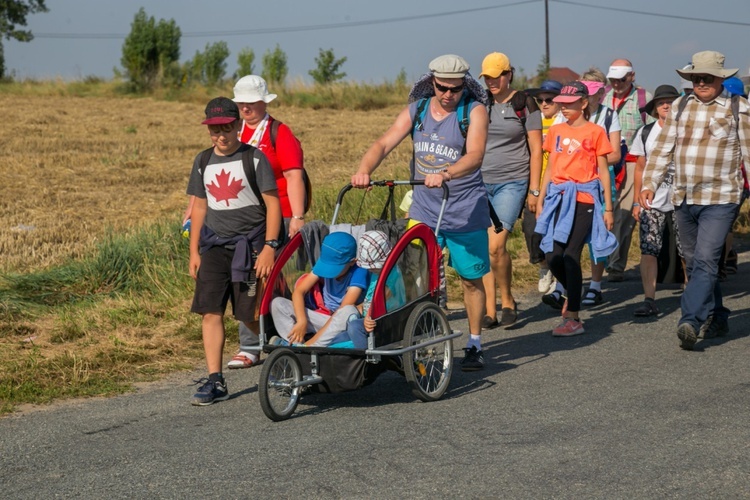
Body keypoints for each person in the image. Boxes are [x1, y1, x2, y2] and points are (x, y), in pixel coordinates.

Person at [351, 54, 491, 371]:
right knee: (414, 277)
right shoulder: (418, 110)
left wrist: (447, 173)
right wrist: (363, 169)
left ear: (464, 85)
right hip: (425, 210)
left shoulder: (474, 111)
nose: (448, 95)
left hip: (464, 210)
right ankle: (414, 338)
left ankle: (475, 343)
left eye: (455, 89)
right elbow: (384, 143)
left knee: (470, 280)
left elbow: (476, 155)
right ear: (432, 82)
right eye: (442, 88)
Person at [641, 51, 750, 350]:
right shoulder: (680, 106)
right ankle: (718, 315)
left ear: (721, 79)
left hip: (721, 196)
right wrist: (650, 182)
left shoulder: (738, 107)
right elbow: (663, 148)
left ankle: (690, 319)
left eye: (707, 78)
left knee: (704, 259)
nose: (701, 82)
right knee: (696, 260)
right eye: (695, 77)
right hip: (684, 196)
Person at [187, 97, 282, 405]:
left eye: (227, 128)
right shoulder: (202, 162)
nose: (221, 136)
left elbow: (272, 204)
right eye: (214, 130)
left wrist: (269, 246)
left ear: (239, 125)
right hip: (214, 246)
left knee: (249, 313)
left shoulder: (254, 159)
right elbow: (199, 208)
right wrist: (194, 251)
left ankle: (282, 350)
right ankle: (215, 381)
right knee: (210, 311)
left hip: (251, 248)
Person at [535, 82, 616, 336]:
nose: (564, 108)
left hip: (585, 199)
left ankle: (574, 318)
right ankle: (572, 291)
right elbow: (550, 167)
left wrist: (609, 208)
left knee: (571, 254)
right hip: (557, 197)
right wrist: (539, 197)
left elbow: (603, 171)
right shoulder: (556, 130)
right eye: (562, 103)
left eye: (569, 103)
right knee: (552, 255)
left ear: (583, 103)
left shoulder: (596, 131)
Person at [478, 52, 543, 330]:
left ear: (508, 75)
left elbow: (537, 148)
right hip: (479, 183)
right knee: (484, 248)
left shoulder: (524, 103)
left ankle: (507, 300)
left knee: (496, 246)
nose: (492, 81)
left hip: (512, 182)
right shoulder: (480, 102)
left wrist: (535, 190)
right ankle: (490, 309)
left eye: (497, 76)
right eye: (487, 77)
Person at [631, 85, 683, 316]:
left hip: (683, 199)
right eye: (661, 102)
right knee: (649, 249)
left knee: (686, 250)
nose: (665, 105)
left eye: (671, 101)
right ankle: (649, 299)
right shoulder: (646, 132)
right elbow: (639, 167)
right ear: (654, 108)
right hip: (651, 199)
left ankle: (692, 295)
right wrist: (635, 200)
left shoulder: (687, 129)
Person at [270, 232, 368, 347]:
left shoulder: (359, 271)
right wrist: (302, 321)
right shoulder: (323, 263)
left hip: (342, 324)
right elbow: (299, 292)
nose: (329, 271)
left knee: (348, 310)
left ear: (352, 261)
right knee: (277, 303)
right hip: (325, 318)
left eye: (334, 268)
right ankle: (294, 343)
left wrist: (311, 343)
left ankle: (309, 347)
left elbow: (342, 310)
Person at [604, 59, 654, 282]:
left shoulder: (645, 99)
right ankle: (607, 257)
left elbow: (654, 131)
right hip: (606, 161)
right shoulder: (603, 97)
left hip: (634, 162)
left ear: (632, 76)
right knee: (608, 210)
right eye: (613, 79)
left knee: (624, 214)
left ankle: (615, 264)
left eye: (621, 79)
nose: (617, 84)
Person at [579, 70, 622, 306]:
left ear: (601, 93)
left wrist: (588, 159)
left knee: (599, 233)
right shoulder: (570, 113)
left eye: (593, 91)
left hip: (600, 181)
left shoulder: (608, 116)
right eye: (585, 90)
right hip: (575, 182)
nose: (588, 96)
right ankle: (567, 284)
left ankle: (595, 285)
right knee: (571, 233)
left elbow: (615, 154)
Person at [524, 80, 563, 296]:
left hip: (559, 183)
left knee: (557, 232)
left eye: (550, 100)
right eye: (540, 100)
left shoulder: (564, 121)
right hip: (537, 182)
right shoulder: (533, 120)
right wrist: (534, 188)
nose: (544, 104)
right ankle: (543, 266)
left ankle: (558, 276)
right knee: (531, 228)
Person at [345, 230, 406, 349]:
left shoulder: (393, 273)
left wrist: (369, 315)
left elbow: (383, 295)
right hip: (371, 316)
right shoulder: (376, 273)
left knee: (354, 327)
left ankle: (365, 360)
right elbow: (369, 299)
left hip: (387, 320)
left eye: (374, 267)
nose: (371, 269)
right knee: (341, 334)